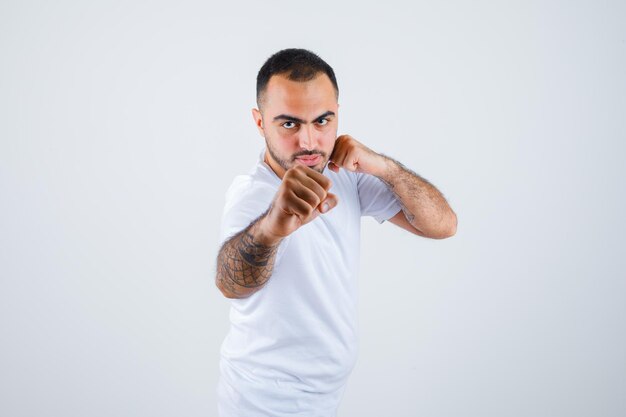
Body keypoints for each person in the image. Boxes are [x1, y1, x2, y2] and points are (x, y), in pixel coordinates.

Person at [215, 48, 457, 416]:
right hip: (264, 399)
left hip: (325, 396)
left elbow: (443, 225)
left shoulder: (346, 176)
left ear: (338, 115)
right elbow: (231, 284)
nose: (309, 142)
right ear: (260, 122)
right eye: (289, 124)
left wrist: (386, 169)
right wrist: (271, 228)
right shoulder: (252, 194)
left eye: (322, 121)